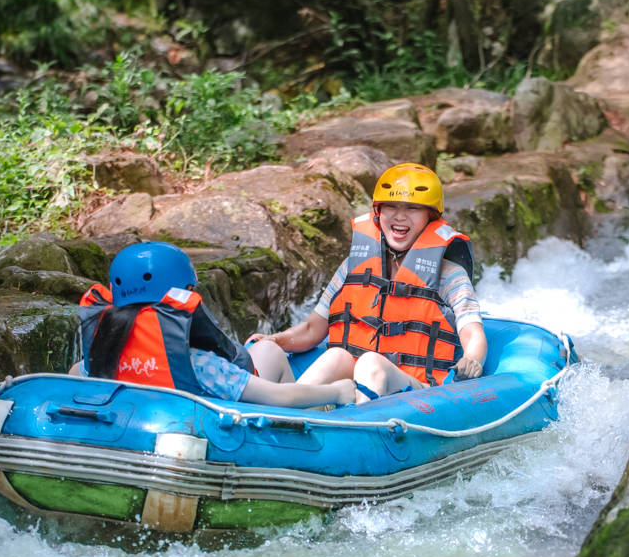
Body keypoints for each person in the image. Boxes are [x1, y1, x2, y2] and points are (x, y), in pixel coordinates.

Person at [247, 162, 486, 402]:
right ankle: (289, 413)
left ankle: (350, 424)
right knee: (330, 355)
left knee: (371, 363)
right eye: (391, 206)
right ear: (378, 212)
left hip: (416, 392)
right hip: (351, 386)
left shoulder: (449, 275)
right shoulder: (353, 265)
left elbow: (472, 333)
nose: (400, 216)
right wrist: (274, 340)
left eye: (413, 208)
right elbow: (312, 329)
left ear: (431, 217)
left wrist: (472, 360)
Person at [75, 241, 356, 408]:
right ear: (181, 293)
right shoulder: (200, 365)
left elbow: (75, 375)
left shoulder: (97, 358)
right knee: (269, 351)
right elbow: (280, 397)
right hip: (217, 426)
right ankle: (316, 420)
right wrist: (336, 391)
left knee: (255, 348)